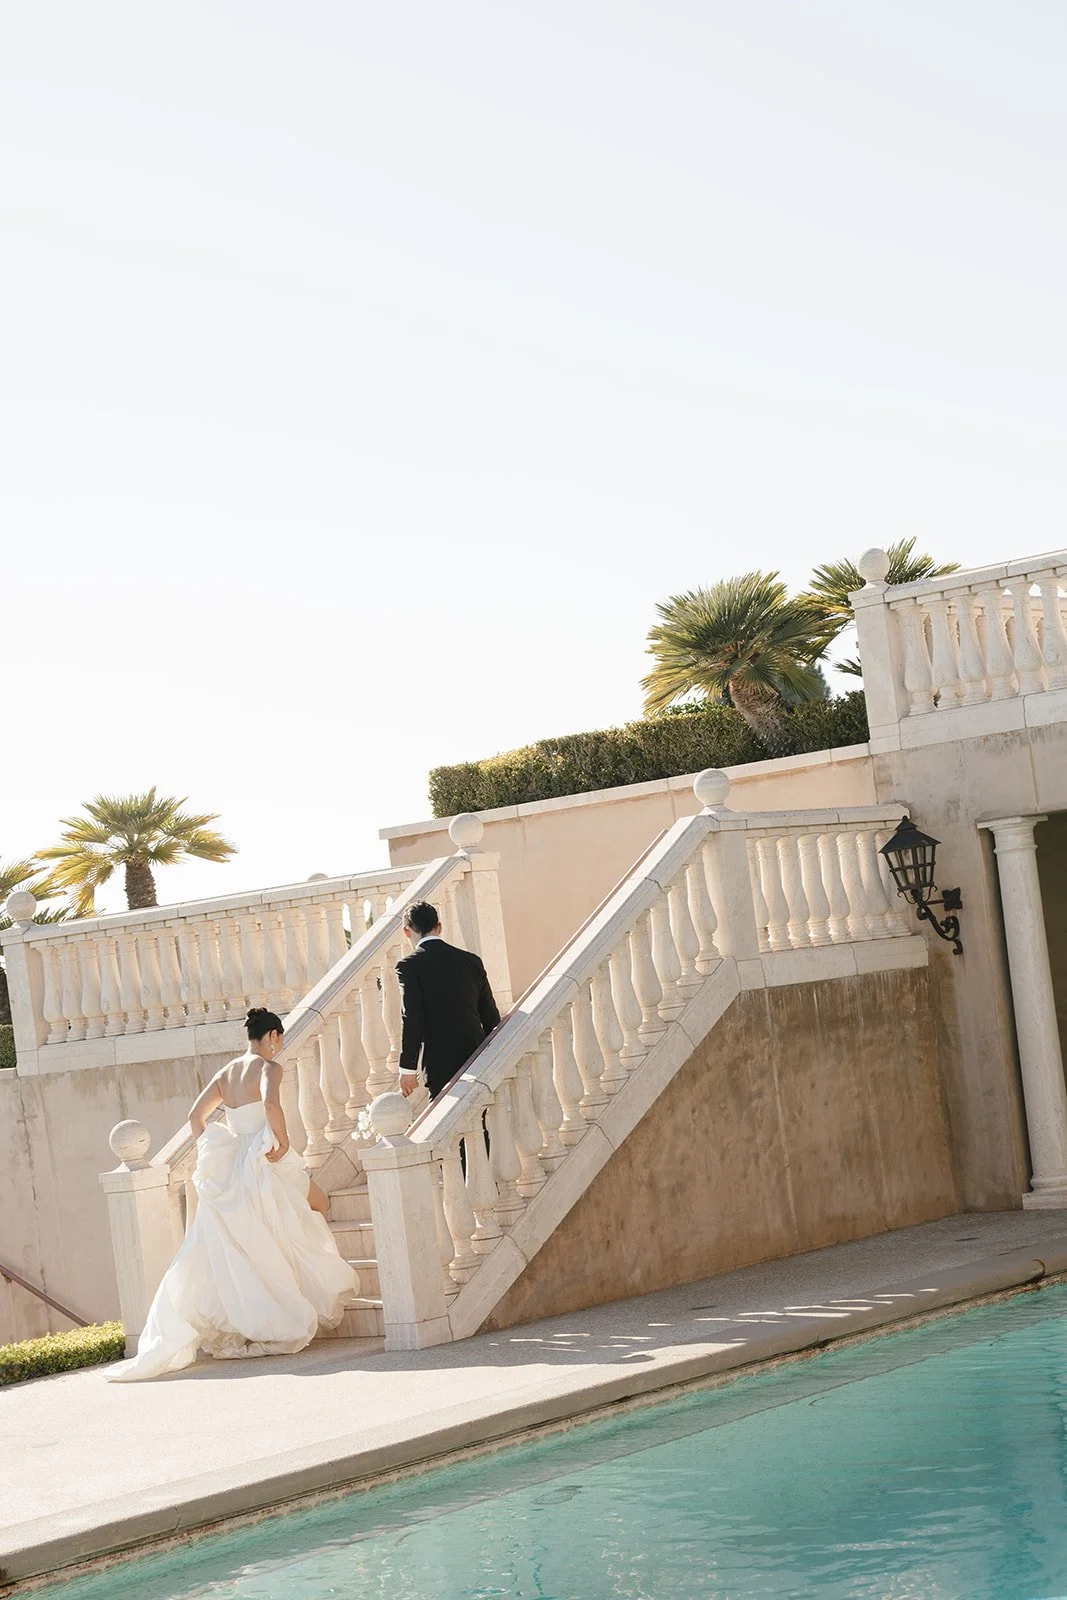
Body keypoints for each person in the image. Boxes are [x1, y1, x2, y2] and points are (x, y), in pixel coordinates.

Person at [108, 1008, 358, 1382]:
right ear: (272, 1035)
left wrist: (215, 1150)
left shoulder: (226, 1073)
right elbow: (271, 1105)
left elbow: (196, 1116)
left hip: (236, 1160)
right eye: (281, 1038)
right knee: (307, 1210)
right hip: (263, 1153)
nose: (281, 1045)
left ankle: (261, 1312)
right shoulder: (270, 1068)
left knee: (259, 1234)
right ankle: (292, 1303)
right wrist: (283, 1140)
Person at [396, 902, 501, 1102]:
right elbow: (490, 1015)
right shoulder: (471, 961)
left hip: (439, 1063)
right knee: (482, 1124)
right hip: (477, 1056)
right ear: (439, 926)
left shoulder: (409, 966)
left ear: (407, 932)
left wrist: (408, 1068)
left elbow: (412, 1018)